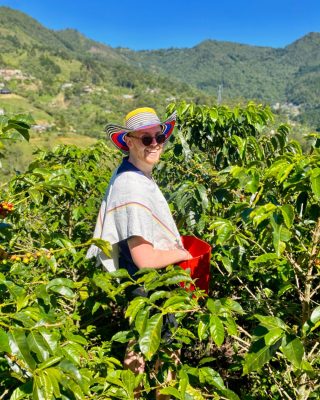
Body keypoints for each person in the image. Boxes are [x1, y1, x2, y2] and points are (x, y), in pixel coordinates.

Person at [87, 106, 192, 399]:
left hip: (140, 286)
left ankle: (130, 394)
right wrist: (182, 255)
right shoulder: (131, 185)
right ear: (129, 141)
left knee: (139, 344)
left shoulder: (135, 173)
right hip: (148, 285)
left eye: (159, 137)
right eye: (146, 139)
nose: (155, 143)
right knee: (164, 350)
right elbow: (144, 258)